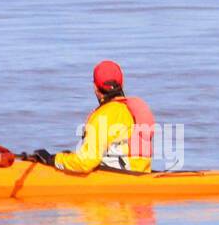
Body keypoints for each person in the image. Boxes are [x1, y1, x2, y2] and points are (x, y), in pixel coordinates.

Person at [21, 61, 156, 173]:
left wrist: (54, 160)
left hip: (119, 178)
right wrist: (68, 157)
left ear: (95, 88)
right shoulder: (131, 109)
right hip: (140, 173)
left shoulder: (103, 116)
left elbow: (87, 161)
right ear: (122, 84)